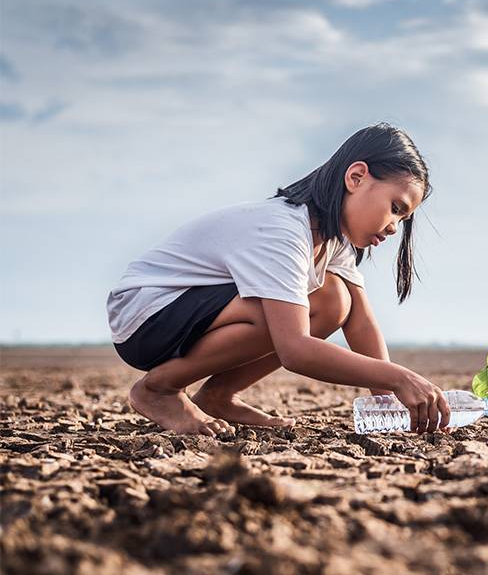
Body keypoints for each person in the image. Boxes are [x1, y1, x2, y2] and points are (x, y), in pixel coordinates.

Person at [106, 122, 451, 437]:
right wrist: (399, 378)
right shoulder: (283, 230)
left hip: (187, 312)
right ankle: (159, 389)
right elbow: (295, 350)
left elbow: (360, 322)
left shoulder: (332, 239)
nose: (394, 227)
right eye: (395, 208)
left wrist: (390, 403)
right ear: (356, 177)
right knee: (279, 310)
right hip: (147, 315)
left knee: (334, 299)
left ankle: (218, 395)